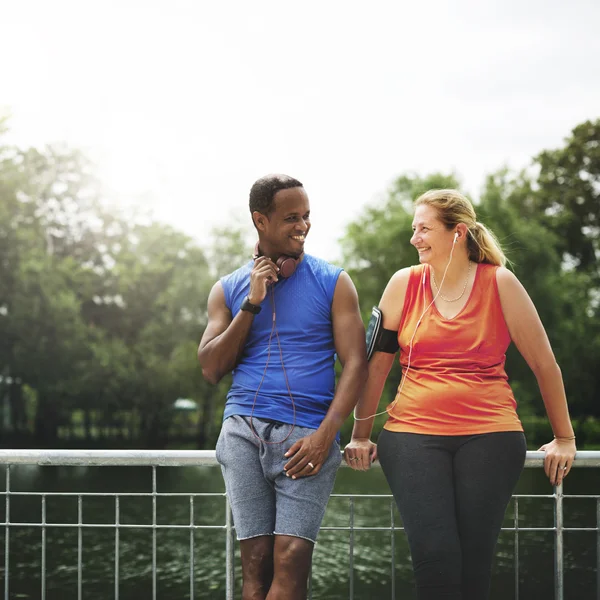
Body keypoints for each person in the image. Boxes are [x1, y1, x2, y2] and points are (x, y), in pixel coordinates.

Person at [343, 189, 577, 600]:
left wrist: (565, 437)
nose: (415, 238)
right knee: (435, 559)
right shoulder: (403, 284)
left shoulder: (500, 282)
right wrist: (361, 433)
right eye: (413, 229)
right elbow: (376, 365)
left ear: (458, 233)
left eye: (425, 229)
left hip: (491, 435)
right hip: (412, 435)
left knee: (474, 563)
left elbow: (544, 364)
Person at [198, 174, 368, 600]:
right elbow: (211, 368)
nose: (303, 225)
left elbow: (356, 364)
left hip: (307, 436)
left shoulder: (335, 282)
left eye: (307, 216)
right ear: (260, 220)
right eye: (291, 217)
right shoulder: (228, 289)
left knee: (291, 558)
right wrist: (252, 304)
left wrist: (326, 435)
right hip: (242, 432)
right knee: (254, 566)